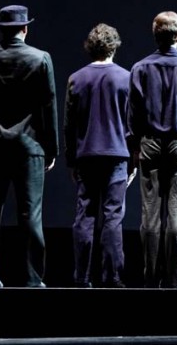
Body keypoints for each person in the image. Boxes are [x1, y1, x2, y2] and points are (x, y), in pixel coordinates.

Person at [0, 4, 58, 287]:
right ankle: (32, 278)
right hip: (29, 146)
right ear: (25, 28)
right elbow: (48, 106)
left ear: (1, 29)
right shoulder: (40, 58)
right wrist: (51, 149)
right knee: (30, 214)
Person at [128, 11, 177, 289]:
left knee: (149, 217)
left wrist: (135, 147)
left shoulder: (140, 68)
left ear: (155, 35)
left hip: (149, 144)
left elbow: (132, 115)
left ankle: (150, 277)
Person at [64, 23, 133, 288]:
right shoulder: (126, 78)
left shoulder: (76, 78)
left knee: (85, 216)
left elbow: (70, 125)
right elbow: (131, 122)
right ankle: (113, 277)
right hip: (117, 155)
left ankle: (81, 277)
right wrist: (133, 158)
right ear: (114, 46)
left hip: (86, 155)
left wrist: (71, 159)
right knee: (113, 217)